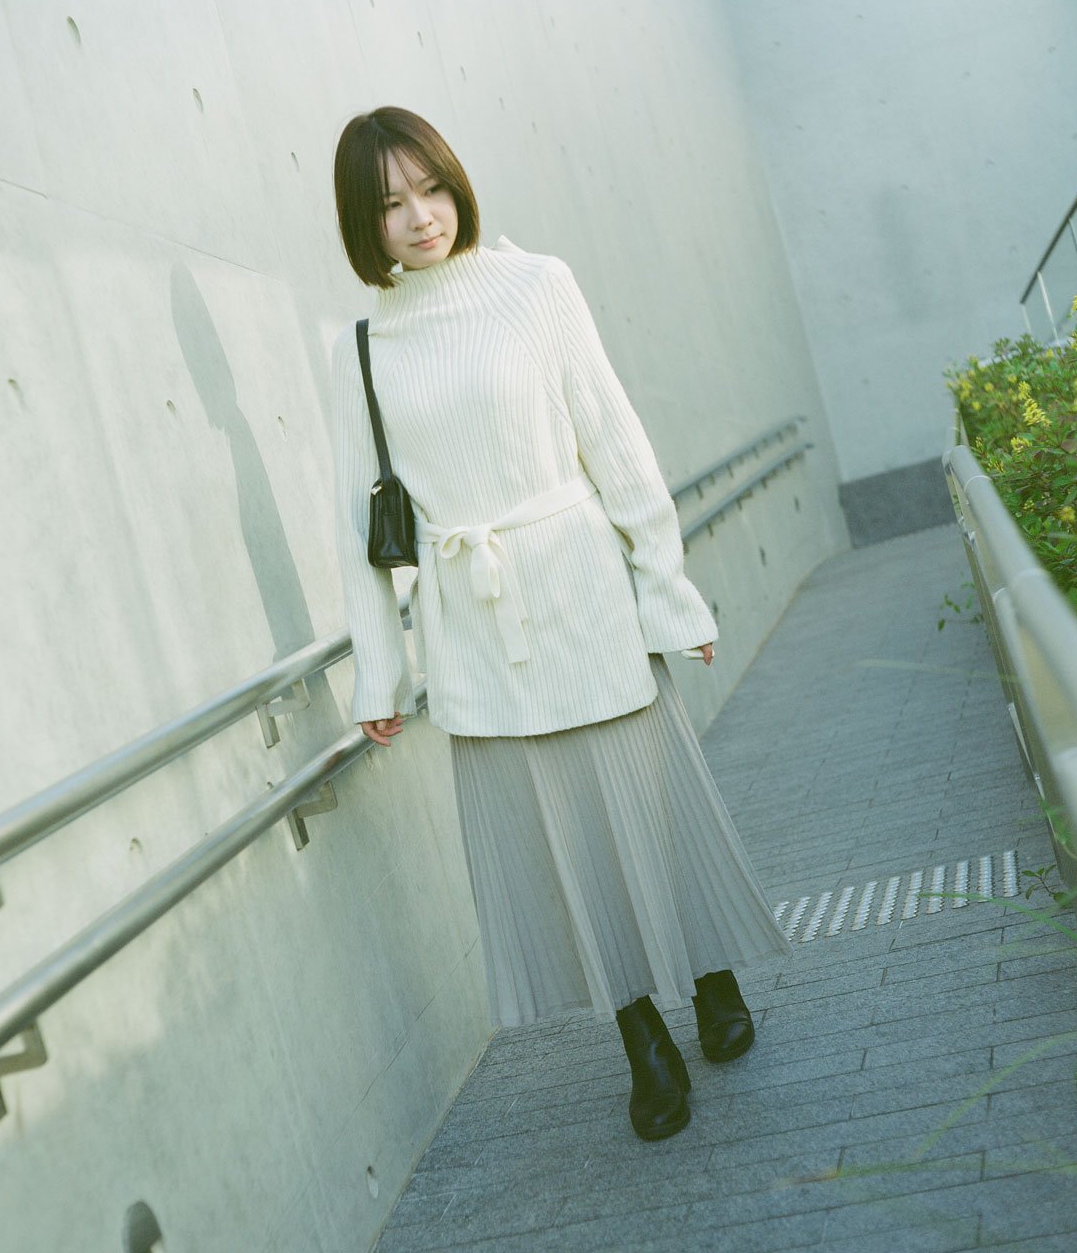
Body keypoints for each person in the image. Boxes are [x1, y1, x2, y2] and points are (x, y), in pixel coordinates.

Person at [328, 106, 790, 1141]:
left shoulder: (538, 287)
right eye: (390, 204)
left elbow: (612, 438)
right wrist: (378, 673)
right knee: (560, 839)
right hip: (474, 625)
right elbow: (363, 525)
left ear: (457, 183)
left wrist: (667, 592)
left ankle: (711, 977)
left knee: (650, 795)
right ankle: (641, 1040)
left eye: (431, 189)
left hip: (577, 584)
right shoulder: (361, 345)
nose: (419, 218)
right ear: (364, 223)